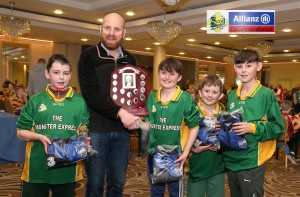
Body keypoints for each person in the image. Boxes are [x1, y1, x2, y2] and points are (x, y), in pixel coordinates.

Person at [78, 12, 140, 197]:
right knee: (95, 183)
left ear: (124, 32)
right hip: (96, 130)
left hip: (122, 131)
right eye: (107, 28)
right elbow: (91, 95)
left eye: (116, 29)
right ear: (100, 29)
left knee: (117, 183)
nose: (111, 33)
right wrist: (120, 112)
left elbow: (134, 95)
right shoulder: (88, 56)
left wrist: (136, 112)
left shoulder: (131, 59)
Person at [16, 54, 90, 197]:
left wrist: (84, 140)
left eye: (66, 73)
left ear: (70, 75)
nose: (61, 77)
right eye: (56, 73)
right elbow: (21, 132)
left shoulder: (79, 102)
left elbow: (83, 129)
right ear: (47, 73)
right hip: (36, 168)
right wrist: (39, 137)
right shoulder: (36, 100)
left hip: (67, 168)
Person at [222, 49, 285, 197]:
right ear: (234, 68)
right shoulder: (232, 96)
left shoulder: (266, 95)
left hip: (252, 161)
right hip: (232, 159)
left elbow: (278, 127)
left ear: (258, 66)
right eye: (239, 66)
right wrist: (223, 127)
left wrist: (252, 128)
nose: (243, 70)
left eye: (249, 65)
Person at [139, 57, 200, 197]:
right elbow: (150, 126)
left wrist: (185, 153)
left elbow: (194, 127)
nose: (167, 77)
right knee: (155, 192)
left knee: (175, 193)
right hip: (154, 153)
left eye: (172, 74)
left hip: (176, 155)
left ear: (179, 77)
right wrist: (138, 124)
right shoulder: (152, 97)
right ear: (158, 74)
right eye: (164, 72)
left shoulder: (184, 98)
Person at [187, 75, 225, 197]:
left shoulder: (224, 113)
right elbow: (182, 135)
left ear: (220, 96)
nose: (210, 95)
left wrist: (222, 146)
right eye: (207, 91)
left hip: (217, 166)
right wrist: (192, 149)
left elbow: (230, 138)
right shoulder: (192, 111)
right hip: (196, 165)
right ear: (200, 93)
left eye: (214, 92)